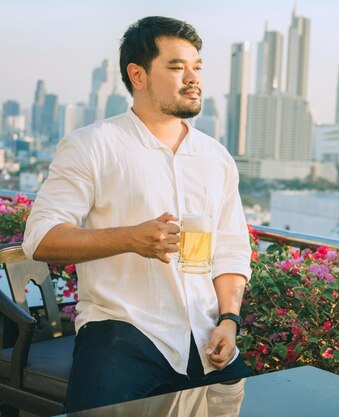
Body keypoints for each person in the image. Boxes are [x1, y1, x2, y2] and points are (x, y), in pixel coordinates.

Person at [23, 16, 252, 412]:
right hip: (121, 330)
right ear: (138, 75)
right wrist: (131, 238)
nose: (193, 78)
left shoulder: (216, 158)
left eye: (197, 67)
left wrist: (229, 320)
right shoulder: (91, 145)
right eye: (177, 67)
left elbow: (231, 249)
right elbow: (40, 238)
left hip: (206, 336)